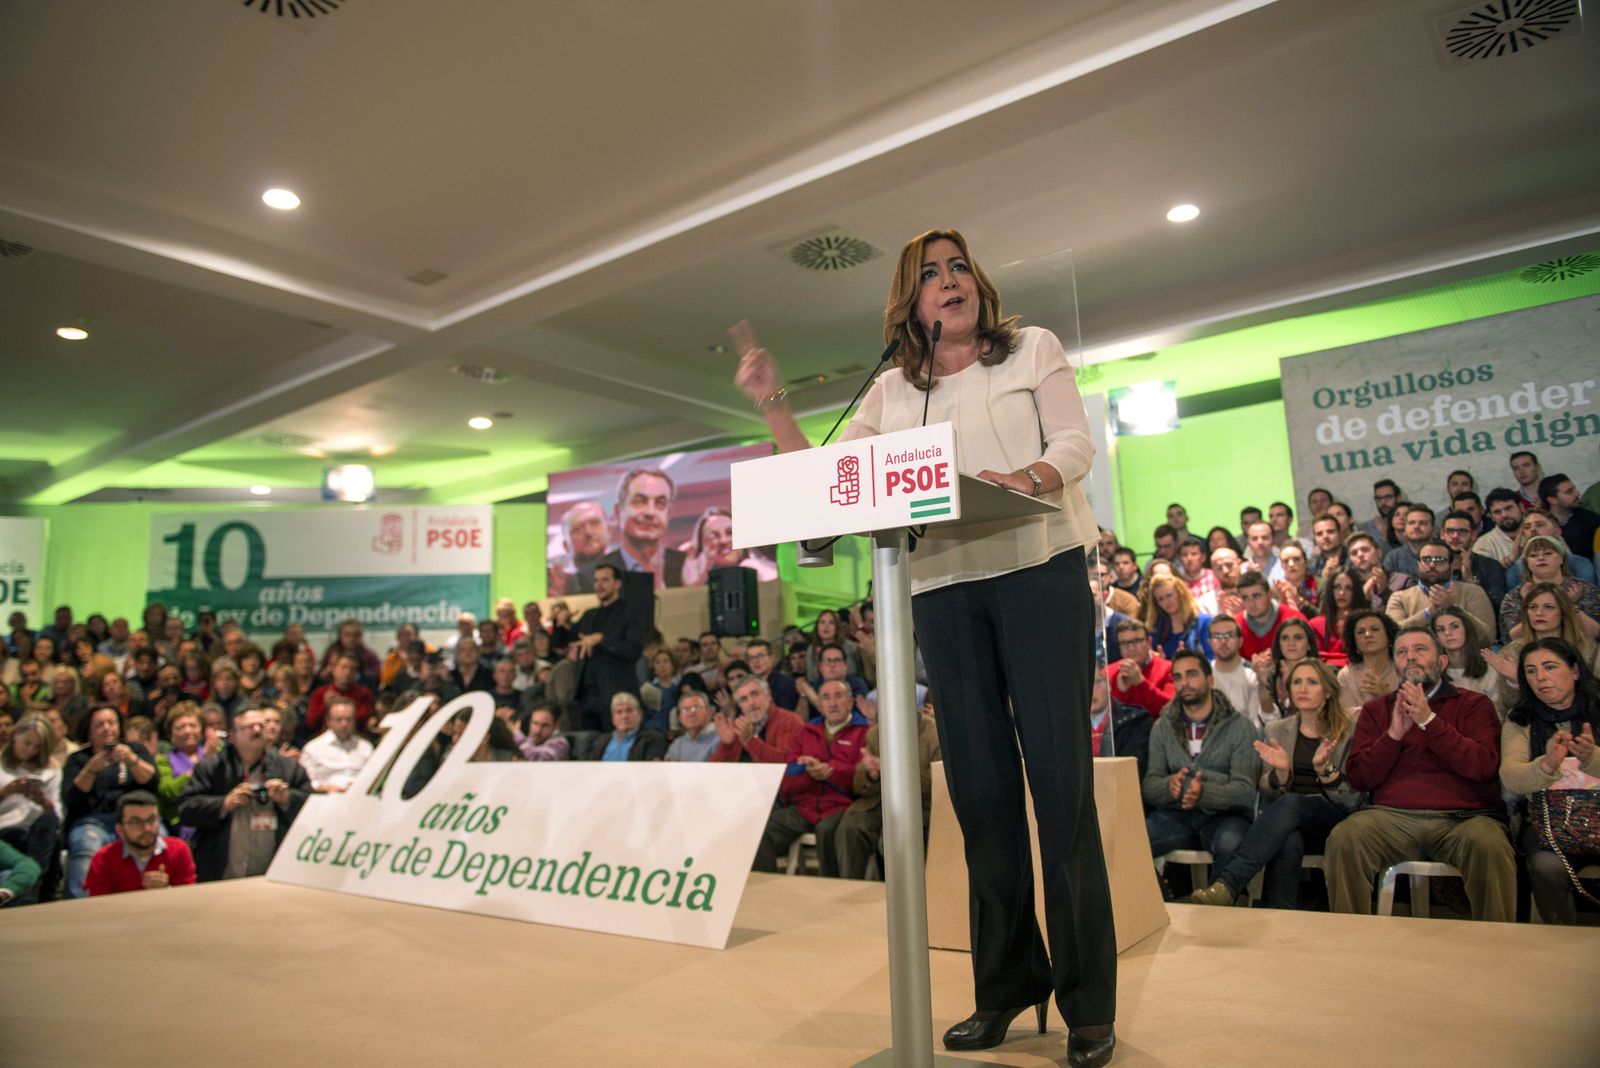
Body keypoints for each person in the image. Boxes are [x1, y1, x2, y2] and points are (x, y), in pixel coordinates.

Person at [733, 228, 1116, 1063]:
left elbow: (1075, 446)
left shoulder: (1032, 350)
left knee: (1059, 792)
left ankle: (1089, 1004)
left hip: (1038, 570)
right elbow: (826, 479)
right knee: (979, 798)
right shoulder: (893, 391)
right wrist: (772, 402)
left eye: (958, 267)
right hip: (941, 588)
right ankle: (1007, 986)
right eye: (930, 275)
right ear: (910, 303)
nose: (950, 281)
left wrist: (1030, 479)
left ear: (977, 281)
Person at [1325, 627, 1514, 921]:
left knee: (1490, 844)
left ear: (1442, 662)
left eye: (1420, 650)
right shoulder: (1377, 710)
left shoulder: (1473, 704)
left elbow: (1483, 766)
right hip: (1393, 817)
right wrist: (1393, 735)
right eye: (1401, 652)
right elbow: (1361, 777)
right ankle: (1351, 938)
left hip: (1463, 820)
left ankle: (1498, 945)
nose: (1410, 657)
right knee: (1346, 836)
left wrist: (1429, 721)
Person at [1193, 660, 1362, 908]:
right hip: (1287, 822)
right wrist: (1282, 774)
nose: (1302, 689)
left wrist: (1325, 770)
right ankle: (1279, 917)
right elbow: (1266, 789)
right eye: (1297, 682)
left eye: (1312, 682)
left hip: (1334, 821)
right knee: (1288, 840)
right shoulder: (1277, 729)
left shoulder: (1348, 731)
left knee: (1291, 802)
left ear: (1327, 691)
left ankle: (1228, 884)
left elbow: (1353, 798)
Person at [1498, 638, 1600, 925]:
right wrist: (1547, 764)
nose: (1540, 677)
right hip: (1549, 825)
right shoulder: (1520, 719)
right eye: (1530, 671)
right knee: (1545, 865)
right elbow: (1512, 779)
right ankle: (1562, 939)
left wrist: (1591, 757)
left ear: (1575, 671)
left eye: (1550, 666)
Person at [1141, 650, 1261, 889]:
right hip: (1175, 815)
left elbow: (1245, 792)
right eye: (1177, 677)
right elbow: (1149, 786)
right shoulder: (1162, 726)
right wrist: (1170, 785)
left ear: (1210, 680)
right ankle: (1162, 908)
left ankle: (1219, 916)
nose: (1184, 682)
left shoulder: (1240, 726)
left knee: (1231, 845)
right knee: (1131, 840)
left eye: (1191, 674)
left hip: (1226, 816)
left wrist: (1203, 791)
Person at [177, 708, 312, 881]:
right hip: (221, 874)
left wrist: (288, 799)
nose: (257, 730)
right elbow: (186, 808)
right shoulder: (212, 767)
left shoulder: (288, 767)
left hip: (273, 876)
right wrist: (223, 804)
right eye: (249, 727)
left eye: (261, 725)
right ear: (232, 736)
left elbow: (313, 805)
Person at [753, 679, 868, 877]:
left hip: (842, 807)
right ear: (820, 705)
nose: (832, 703)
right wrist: (807, 773)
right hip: (805, 807)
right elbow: (787, 777)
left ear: (850, 702)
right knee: (760, 829)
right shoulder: (806, 732)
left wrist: (829, 770)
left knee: (827, 830)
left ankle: (832, 892)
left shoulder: (865, 732)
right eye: (826, 697)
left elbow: (863, 780)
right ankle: (769, 892)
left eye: (838, 696)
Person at [836, 698, 941, 880]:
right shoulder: (875, 734)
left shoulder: (934, 734)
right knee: (850, 827)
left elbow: (936, 780)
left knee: (895, 835)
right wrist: (872, 775)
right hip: (881, 802)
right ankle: (850, 885)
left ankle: (905, 896)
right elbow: (860, 782)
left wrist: (891, 770)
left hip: (920, 806)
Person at [62, 705, 157, 897]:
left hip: (136, 818)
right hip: (93, 821)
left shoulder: (135, 749)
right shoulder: (78, 759)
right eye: (100, 725)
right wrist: (90, 770)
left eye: (111, 723)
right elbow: (70, 799)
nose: (107, 728)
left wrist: (132, 760)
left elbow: (153, 783)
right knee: (85, 843)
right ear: (89, 731)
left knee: (159, 837)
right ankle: (80, 907)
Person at [568, 564, 647, 734]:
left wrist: (602, 639)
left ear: (617, 584)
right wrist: (560, 624)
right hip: (586, 695)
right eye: (596, 581)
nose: (599, 585)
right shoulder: (589, 615)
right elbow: (565, 640)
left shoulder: (630, 614)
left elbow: (633, 650)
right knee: (588, 750)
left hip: (615, 695)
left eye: (605, 580)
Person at [1384, 537, 1497, 644]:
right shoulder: (1399, 597)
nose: (1432, 565)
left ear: (1452, 565)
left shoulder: (1473, 592)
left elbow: (1488, 638)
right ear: (1418, 564)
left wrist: (1453, 608)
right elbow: (1392, 635)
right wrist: (1429, 612)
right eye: (1426, 560)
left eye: (1439, 560)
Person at [83, 790, 197, 896]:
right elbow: (97, 907)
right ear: (120, 829)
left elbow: (189, 900)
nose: (147, 828)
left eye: (152, 820)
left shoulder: (179, 850)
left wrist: (166, 890)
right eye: (136, 822)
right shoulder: (103, 859)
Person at [0, 711, 62, 904]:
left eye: (37, 747)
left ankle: (30, 892)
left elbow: (58, 814)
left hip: (36, 831)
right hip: (5, 830)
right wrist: (7, 791)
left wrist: (44, 802)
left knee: (50, 822)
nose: (30, 750)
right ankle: (28, 893)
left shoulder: (51, 769)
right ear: (15, 735)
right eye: (27, 743)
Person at [1498, 535, 1600, 645]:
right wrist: (1528, 603)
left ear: (1561, 558)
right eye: (1533, 555)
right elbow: (1513, 638)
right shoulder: (1515, 595)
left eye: (1548, 553)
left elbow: (1594, 634)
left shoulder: (1584, 589)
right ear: (1527, 563)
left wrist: (1569, 605)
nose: (1541, 558)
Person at [594, 468, 685, 588]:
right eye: (640, 501)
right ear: (618, 512)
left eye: (660, 503)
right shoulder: (590, 576)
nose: (650, 512)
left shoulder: (686, 566)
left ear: (668, 515)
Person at [710, 675, 804, 764]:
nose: (751, 703)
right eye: (744, 699)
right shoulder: (739, 726)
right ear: (740, 706)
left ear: (768, 695)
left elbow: (785, 763)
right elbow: (715, 770)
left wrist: (750, 741)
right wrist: (727, 745)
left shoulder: (789, 721)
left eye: (755, 694)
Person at [155, 702, 214, 840]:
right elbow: (168, 791)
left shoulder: (215, 752)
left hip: (213, 816)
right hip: (178, 824)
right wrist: (199, 767)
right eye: (180, 727)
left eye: (193, 726)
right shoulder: (164, 761)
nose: (188, 731)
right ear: (171, 734)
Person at [1434, 605, 1504, 711]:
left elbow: (1498, 710)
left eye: (1454, 626)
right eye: (1441, 629)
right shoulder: (1432, 672)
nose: (1447, 633)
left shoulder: (1491, 667)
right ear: (1436, 638)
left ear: (1467, 629)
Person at [298, 696, 373, 793]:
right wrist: (326, 788)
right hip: (326, 798)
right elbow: (306, 783)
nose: (344, 724)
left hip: (361, 796)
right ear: (328, 721)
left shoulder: (365, 746)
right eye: (339, 719)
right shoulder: (313, 748)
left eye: (348, 719)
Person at [1089, 673, 1152, 783]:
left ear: (1108, 684)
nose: (1089, 691)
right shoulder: (1066, 727)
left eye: (1094, 682)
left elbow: (1132, 773)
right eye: (1084, 686)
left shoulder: (1135, 720)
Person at [1105, 620, 1174, 718]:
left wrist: (1141, 683)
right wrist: (1121, 692)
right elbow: (1105, 718)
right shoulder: (1108, 672)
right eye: (1124, 643)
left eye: (1137, 641)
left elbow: (1172, 710)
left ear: (1149, 642)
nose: (1131, 648)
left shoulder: (1169, 668)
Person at [1336, 610, 1399, 711]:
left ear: (1388, 636)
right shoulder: (1346, 675)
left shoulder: (1404, 670)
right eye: (1360, 632)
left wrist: (1386, 695)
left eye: (1375, 629)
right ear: (1354, 641)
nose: (1368, 634)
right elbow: (1347, 719)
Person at [1234, 570, 1304, 661]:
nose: (1251, 604)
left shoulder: (1293, 619)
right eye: (1245, 598)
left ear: (1270, 594)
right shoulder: (1237, 625)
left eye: (1256, 596)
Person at [578, 692, 667, 762]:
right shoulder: (601, 742)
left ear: (640, 714)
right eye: (619, 712)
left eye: (629, 710)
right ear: (613, 718)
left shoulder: (654, 739)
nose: (624, 716)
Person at [1142, 574, 1213, 661]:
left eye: (1169, 595)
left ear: (1180, 593)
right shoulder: (1156, 628)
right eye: (1160, 599)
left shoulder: (1204, 622)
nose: (1166, 602)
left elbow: (1212, 659)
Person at [305, 653, 376, 735]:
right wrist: (325, 705)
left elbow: (365, 720)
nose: (347, 672)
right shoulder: (320, 693)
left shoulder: (364, 694)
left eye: (352, 669)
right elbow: (311, 723)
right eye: (343, 667)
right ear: (333, 669)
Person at [1207, 616, 1259, 720]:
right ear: (1210, 642)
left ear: (1240, 641)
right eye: (1217, 636)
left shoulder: (1253, 675)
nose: (1223, 641)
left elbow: (1256, 724)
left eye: (1229, 635)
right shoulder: (1204, 675)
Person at [1307, 566, 1358, 667]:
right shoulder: (1316, 624)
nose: (1342, 593)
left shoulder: (1364, 622)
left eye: (1348, 588)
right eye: (1337, 587)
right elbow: (1318, 660)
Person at [1475, 488, 1525, 565]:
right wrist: (1510, 559)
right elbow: (1483, 575)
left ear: (1521, 507)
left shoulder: (1537, 530)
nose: (1504, 515)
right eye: (1497, 512)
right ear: (1492, 517)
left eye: (1508, 508)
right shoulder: (1484, 543)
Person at [664, 691, 719, 762]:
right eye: (685, 710)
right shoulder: (677, 745)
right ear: (679, 717)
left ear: (709, 712)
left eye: (696, 708)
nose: (690, 714)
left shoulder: (720, 739)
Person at [1362, 478, 1401, 549]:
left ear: (1398, 498)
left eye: (1388, 497)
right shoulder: (1367, 529)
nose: (1383, 502)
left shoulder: (1408, 523)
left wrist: (1385, 534)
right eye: (1378, 499)